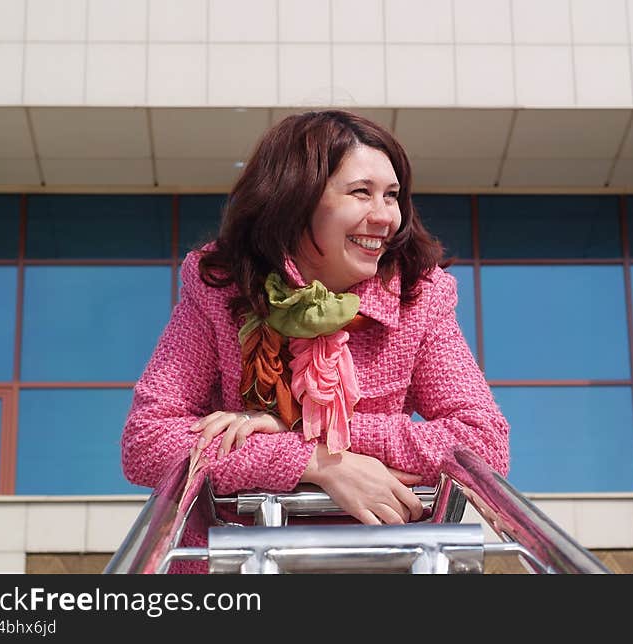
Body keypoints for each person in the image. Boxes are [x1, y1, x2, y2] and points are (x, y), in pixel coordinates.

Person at [120, 110, 509, 570]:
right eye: (361, 193)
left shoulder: (417, 297)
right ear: (295, 200)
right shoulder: (221, 288)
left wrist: (308, 429)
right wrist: (316, 463)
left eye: (392, 196)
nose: (384, 216)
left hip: (378, 564)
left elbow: (483, 444)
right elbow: (147, 441)